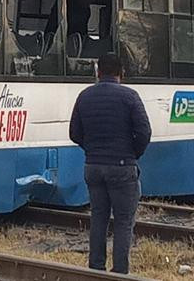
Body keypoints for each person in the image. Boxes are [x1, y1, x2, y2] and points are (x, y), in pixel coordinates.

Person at [69, 53, 151, 274]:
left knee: (98, 218)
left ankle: (96, 269)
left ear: (98, 72)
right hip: (122, 166)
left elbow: (74, 133)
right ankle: (119, 273)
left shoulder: (84, 96)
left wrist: (92, 150)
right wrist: (133, 153)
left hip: (93, 167)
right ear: (120, 73)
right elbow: (144, 132)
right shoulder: (130, 97)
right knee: (124, 221)